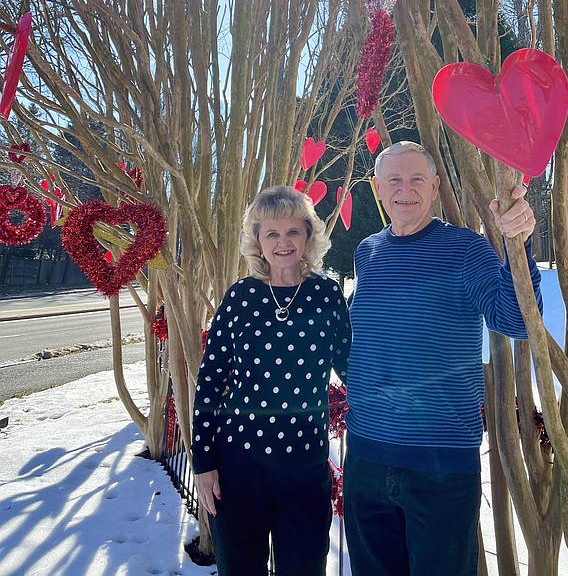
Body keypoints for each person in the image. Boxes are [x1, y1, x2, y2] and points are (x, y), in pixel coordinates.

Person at [343, 141, 542, 576]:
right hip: (366, 459)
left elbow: (516, 320)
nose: (405, 189)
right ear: (378, 189)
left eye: (417, 179)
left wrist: (518, 245)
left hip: (441, 465)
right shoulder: (367, 253)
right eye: (394, 180)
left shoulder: (466, 250)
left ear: (435, 188)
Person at [191, 185, 351, 576]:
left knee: (305, 567)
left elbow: (352, 371)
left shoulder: (327, 295)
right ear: (258, 241)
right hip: (238, 465)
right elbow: (210, 381)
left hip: (305, 466)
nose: (283, 242)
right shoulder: (239, 297)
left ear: (309, 236)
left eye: (293, 231)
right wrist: (203, 462)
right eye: (272, 234)